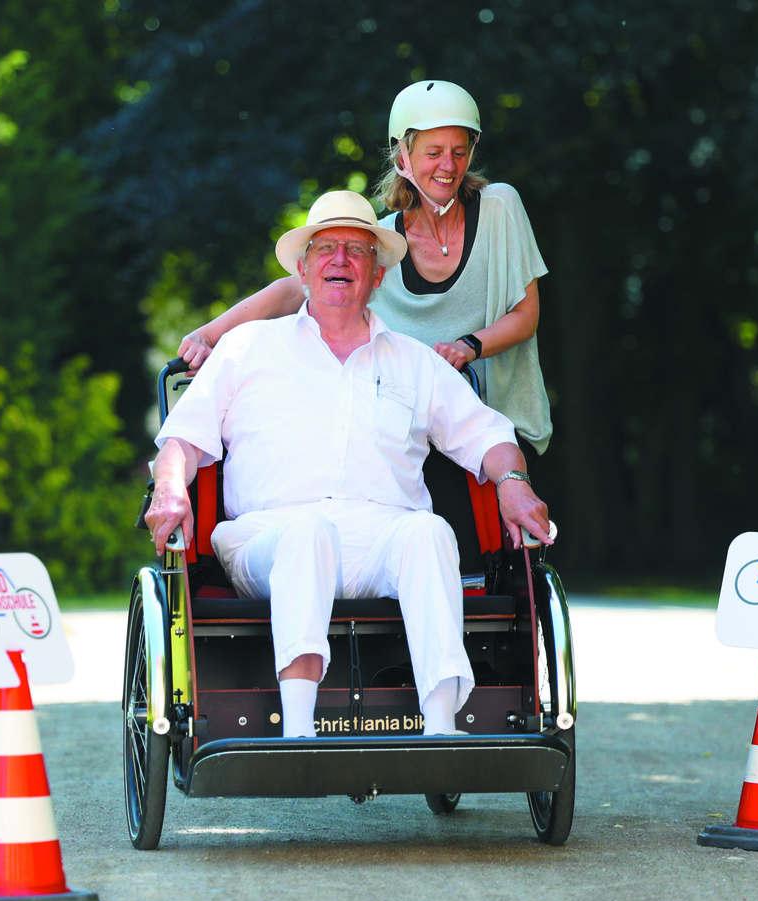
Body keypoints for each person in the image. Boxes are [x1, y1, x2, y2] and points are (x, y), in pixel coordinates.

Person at [146, 191, 556, 739]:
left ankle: (442, 730)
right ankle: (297, 731)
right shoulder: (247, 347)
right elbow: (182, 439)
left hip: (381, 536)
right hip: (269, 537)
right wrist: (171, 490)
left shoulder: (413, 359)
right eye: (327, 248)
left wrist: (513, 482)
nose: (340, 260)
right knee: (307, 533)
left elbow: (488, 435)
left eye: (358, 251)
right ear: (304, 267)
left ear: (378, 275)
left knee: (429, 531)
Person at [177, 81, 552, 460]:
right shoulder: (381, 245)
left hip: (497, 424)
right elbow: (294, 289)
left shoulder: (500, 207)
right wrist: (208, 335)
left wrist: (468, 346)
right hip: (416, 433)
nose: (448, 165)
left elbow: (525, 315)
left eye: (459, 151)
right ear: (403, 157)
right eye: (433, 152)